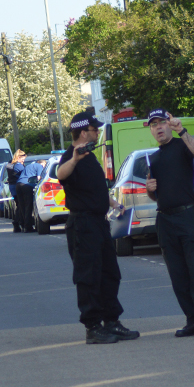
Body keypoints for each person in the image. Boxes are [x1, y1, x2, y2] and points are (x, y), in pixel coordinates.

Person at [57, 111, 139, 344]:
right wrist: (74, 160)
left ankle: (111, 321)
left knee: (109, 273)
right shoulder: (71, 157)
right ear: (83, 132)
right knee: (88, 276)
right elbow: (60, 175)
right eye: (95, 130)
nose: (97, 133)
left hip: (98, 223)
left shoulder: (90, 156)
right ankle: (92, 327)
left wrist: (113, 203)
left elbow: (95, 189)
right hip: (83, 224)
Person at [144, 108, 194, 337]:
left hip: (188, 216)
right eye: (154, 124)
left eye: (161, 122)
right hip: (165, 220)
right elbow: (155, 195)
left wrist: (182, 131)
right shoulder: (153, 158)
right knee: (178, 275)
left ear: (169, 124)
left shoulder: (182, 145)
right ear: (151, 130)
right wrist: (149, 190)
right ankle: (192, 320)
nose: (158, 127)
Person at [15, 158, 46, 233]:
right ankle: (28, 227)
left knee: (22, 206)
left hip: (18, 185)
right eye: (44, 165)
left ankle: (23, 225)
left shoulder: (29, 166)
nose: (44, 167)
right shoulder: (39, 166)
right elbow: (39, 178)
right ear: (42, 164)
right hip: (27, 185)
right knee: (28, 206)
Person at [5, 150, 25, 233]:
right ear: (18, 157)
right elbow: (24, 173)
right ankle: (17, 223)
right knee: (20, 205)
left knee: (19, 205)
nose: (23, 160)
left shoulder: (9, 164)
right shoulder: (18, 165)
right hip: (17, 186)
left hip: (12, 186)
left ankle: (19, 223)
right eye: (23, 159)